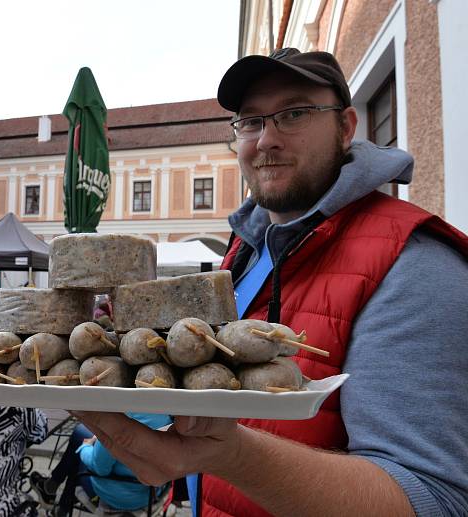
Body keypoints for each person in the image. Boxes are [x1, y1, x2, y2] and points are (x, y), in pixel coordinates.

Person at [74, 48, 468, 516]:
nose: (266, 140)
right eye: (251, 121)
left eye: (295, 113)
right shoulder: (245, 248)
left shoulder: (415, 264)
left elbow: (435, 499)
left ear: (345, 127)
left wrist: (229, 455)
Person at [31, 412, 172, 517]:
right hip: (149, 495)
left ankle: (56, 497)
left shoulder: (123, 419)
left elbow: (99, 468)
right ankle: (55, 495)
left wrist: (85, 448)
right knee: (80, 433)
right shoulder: (167, 419)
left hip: (115, 496)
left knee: (79, 450)